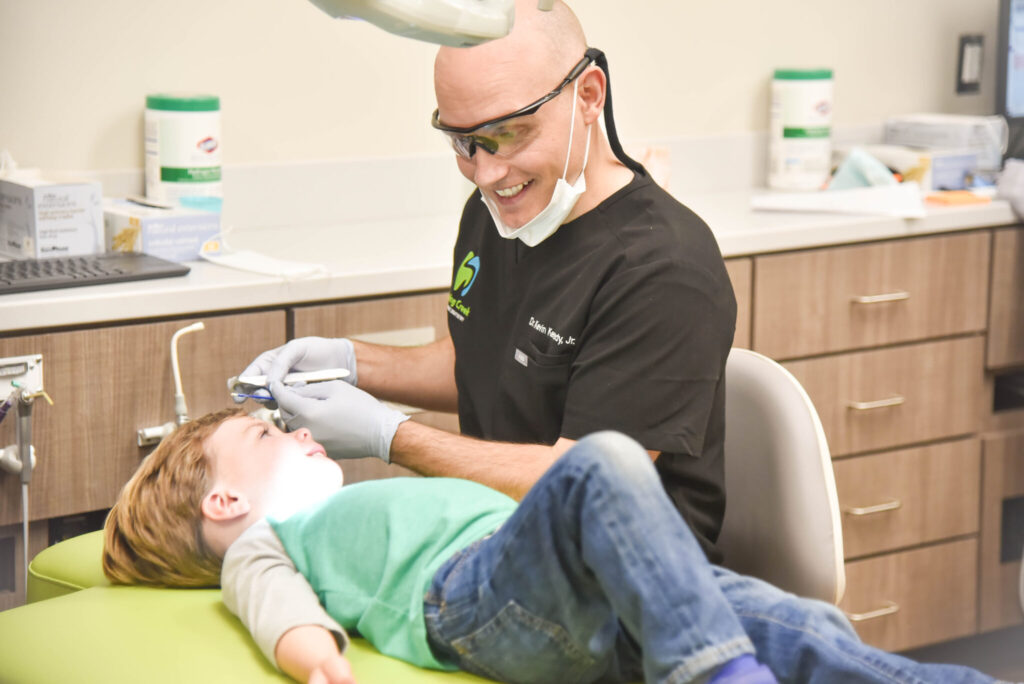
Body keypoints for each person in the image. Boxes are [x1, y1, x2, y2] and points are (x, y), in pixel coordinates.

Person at [238, 0, 735, 564]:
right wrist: (349, 364)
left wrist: (392, 438)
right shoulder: (498, 211)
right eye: (461, 141)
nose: (487, 172)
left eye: (508, 133)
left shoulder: (662, 267)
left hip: (622, 583)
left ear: (589, 95)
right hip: (499, 538)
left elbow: (589, 483)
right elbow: (487, 363)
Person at [103, 409, 1004, 684]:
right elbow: (272, 607)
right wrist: (318, 667)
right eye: (270, 435)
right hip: (475, 599)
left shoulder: (365, 501)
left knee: (805, 626)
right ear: (225, 498)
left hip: (571, 596)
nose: (300, 433)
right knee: (599, 463)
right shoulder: (270, 538)